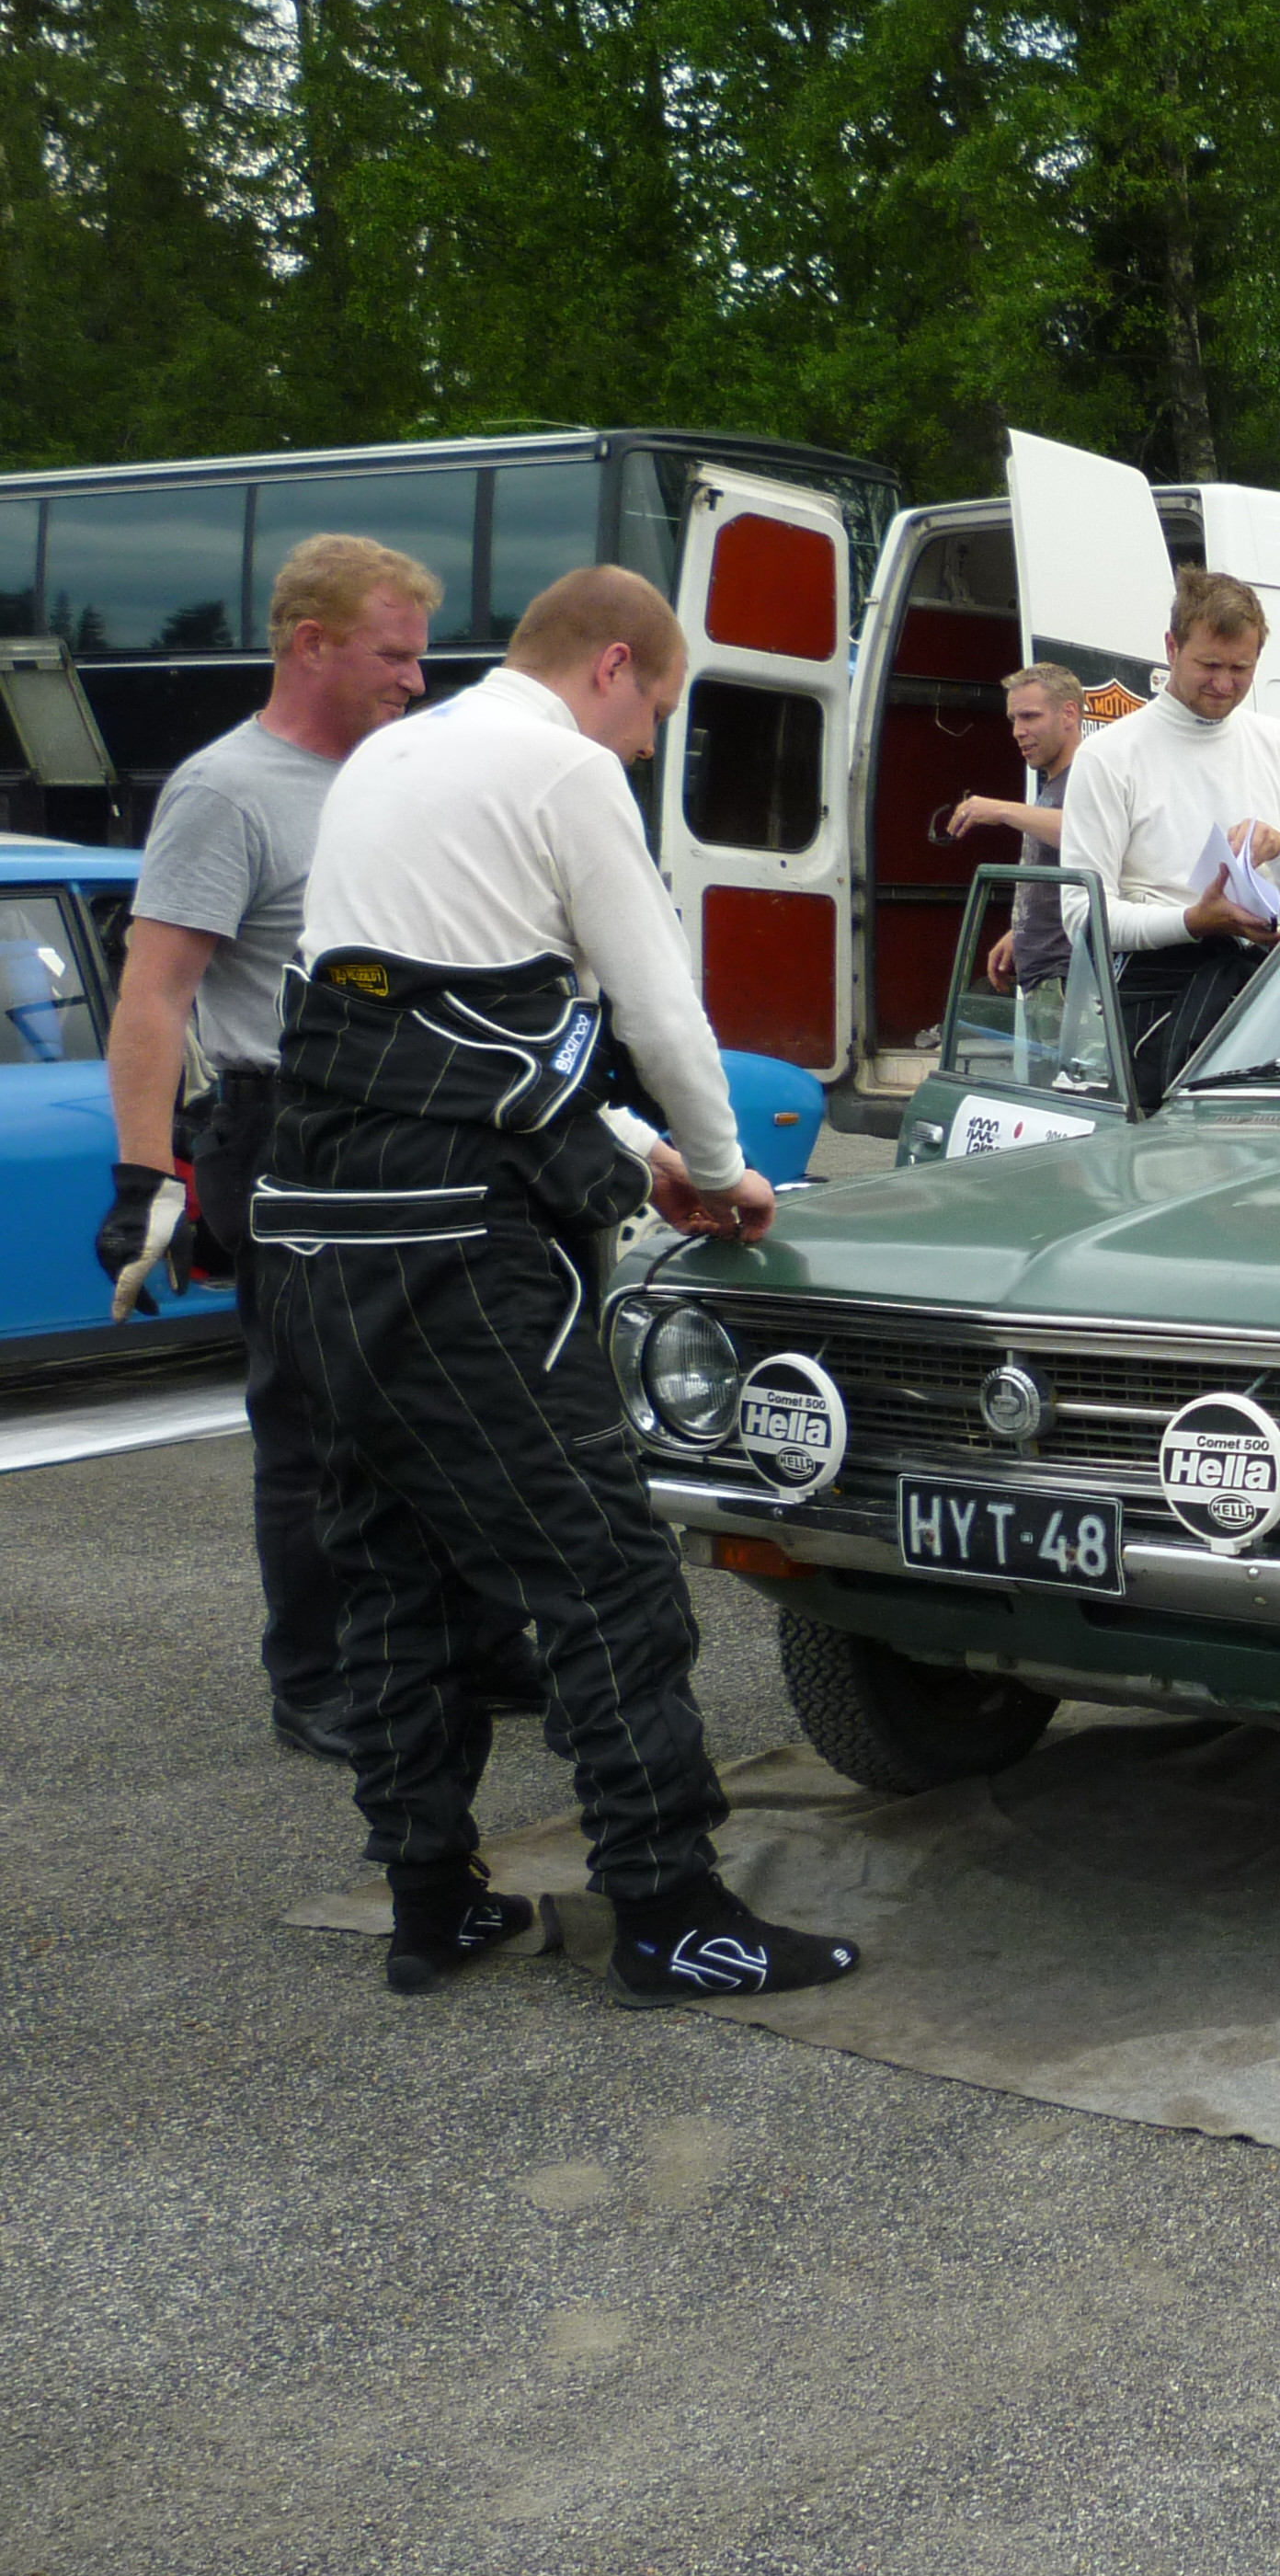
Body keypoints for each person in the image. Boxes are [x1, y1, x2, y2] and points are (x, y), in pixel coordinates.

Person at [256, 565, 859, 2005]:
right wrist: (714, 1167)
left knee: (396, 1570)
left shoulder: (386, 760)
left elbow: (448, 1022)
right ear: (611, 668)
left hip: (311, 1231)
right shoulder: (561, 771)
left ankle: (431, 1900)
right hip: (460, 1246)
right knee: (602, 1576)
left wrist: (635, 1152)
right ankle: (669, 1911)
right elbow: (656, 1007)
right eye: (658, 706)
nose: (649, 745)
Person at [92, 533, 543, 1763]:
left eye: (418, 656)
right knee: (311, 1425)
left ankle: (478, 1641)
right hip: (282, 1124)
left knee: (450, 1397)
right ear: (311, 645)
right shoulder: (226, 789)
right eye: (393, 655)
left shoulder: (397, 775)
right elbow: (155, 993)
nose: (415, 679)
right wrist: (145, 1178)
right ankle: (318, 1679)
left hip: (414, 1122)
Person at [1058, 568, 1280, 1105]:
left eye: (1242, 668)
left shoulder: (1276, 742)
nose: (1225, 683)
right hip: (1158, 1010)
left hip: (1265, 993)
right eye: (1209, 665)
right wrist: (1193, 921)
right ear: (1171, 647)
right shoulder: (1109, 755)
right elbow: (1082, 913)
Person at [943, 661, 1084, 1008]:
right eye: (1014, 720)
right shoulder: (1054, 784)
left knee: (1060, 1065)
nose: (1017, 731)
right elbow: (1057, 875)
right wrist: (1021, 933)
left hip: (1069, 974)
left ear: (1069, 714)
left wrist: (1003, 811)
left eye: (1030, 717)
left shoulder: (1088, 776)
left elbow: (1086, 836)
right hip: (1044, 971)